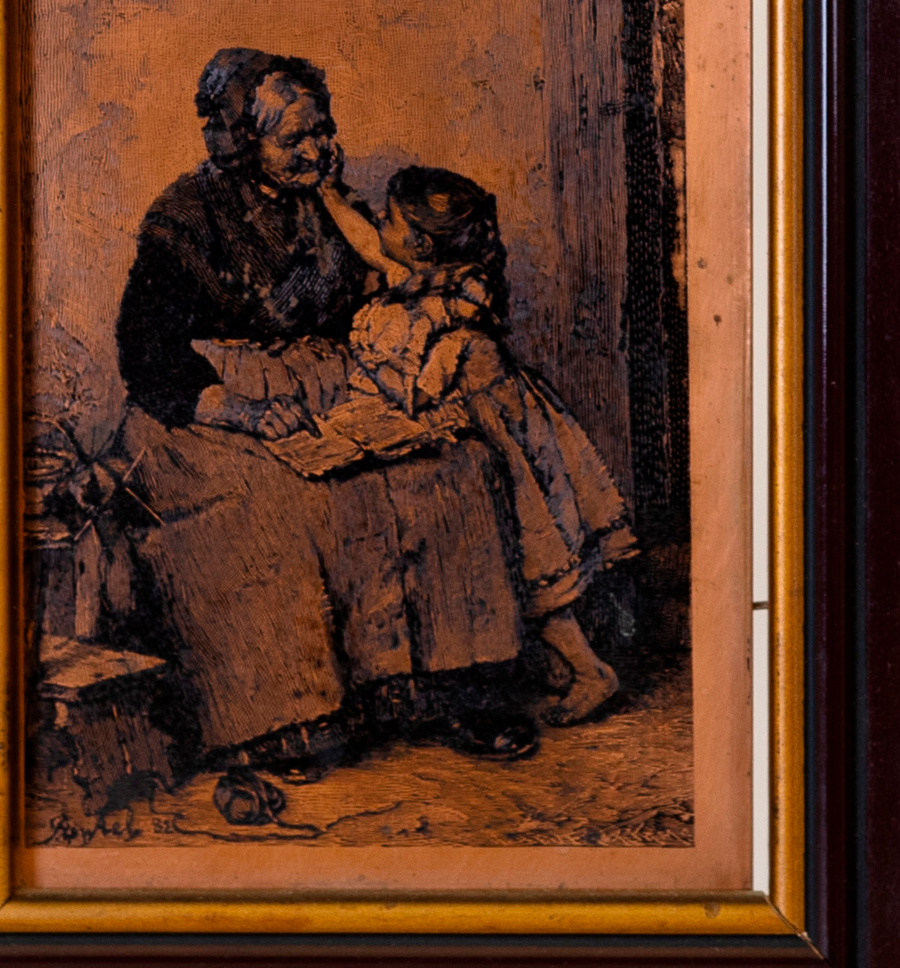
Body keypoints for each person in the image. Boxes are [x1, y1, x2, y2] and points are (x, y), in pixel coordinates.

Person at [111, 48, 539, 813]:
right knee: (277, 503)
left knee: (455, 465)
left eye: (323, 129)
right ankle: (288, 721)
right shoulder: (183, 219)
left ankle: (448, 690)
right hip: (206, 411)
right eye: (295, 138)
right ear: (243, 141)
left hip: (329, 386)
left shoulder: (333, 205)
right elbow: (148, 360)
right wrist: (245, 411)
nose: (318, 148)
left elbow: (388, 290)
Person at [318, 165, 637, 727]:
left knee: (532, 570)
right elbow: (370, 243)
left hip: (502, 450)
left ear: (420, 244)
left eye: (388, 218)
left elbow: (417, 393)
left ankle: (590, 671)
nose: (377, 222)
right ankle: (557, 664)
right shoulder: (436, 278)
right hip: (504, 434)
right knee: (527, 571)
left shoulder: (450, 312)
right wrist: (326, 193)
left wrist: (373, 362)